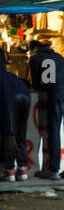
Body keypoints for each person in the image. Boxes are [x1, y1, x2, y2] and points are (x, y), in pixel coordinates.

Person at [28, 39, 64, 179]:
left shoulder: (35, 58)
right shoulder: (58, 56)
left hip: (58, 92)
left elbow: (36, 83)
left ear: (34, 49)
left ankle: (53, 169)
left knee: (54, 130)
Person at [0, 50, 31, 181]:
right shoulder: (10, 75)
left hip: (11, 100)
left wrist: (8, 131)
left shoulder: (1, 77)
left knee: (9, 136)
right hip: (25, 97)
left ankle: (9, 169)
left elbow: (5, 105)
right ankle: (23, 169)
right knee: (21, 135)